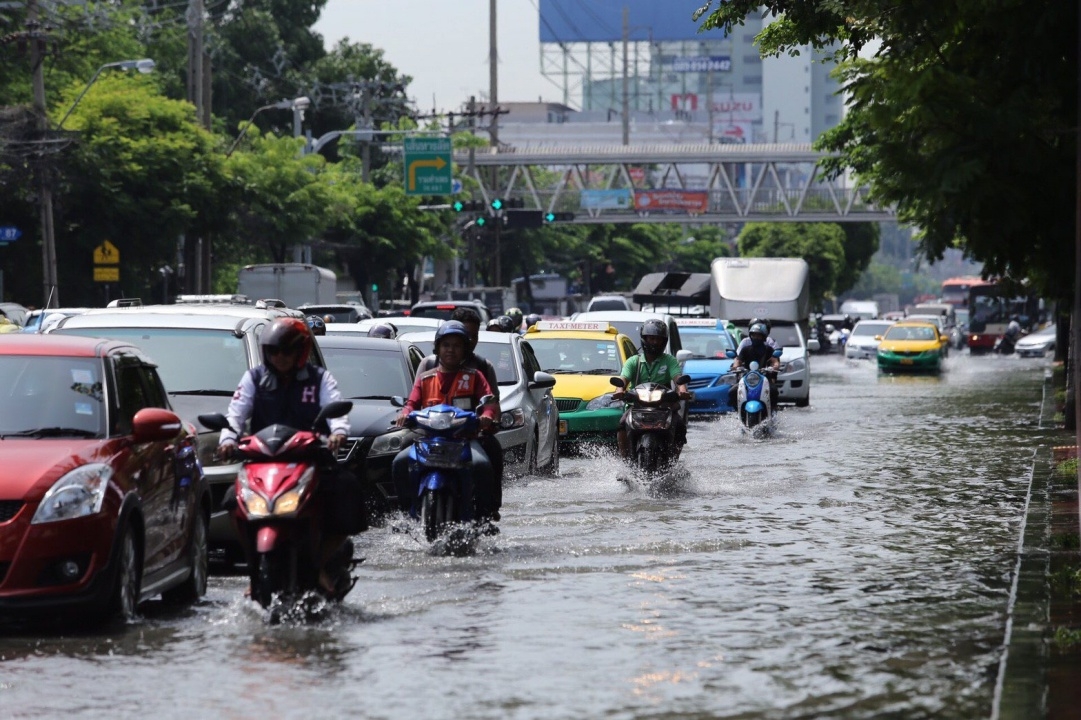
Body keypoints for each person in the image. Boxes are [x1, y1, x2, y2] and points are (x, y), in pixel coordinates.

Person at [217, 317, 364, 596]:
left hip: (311, 459)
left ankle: (319, 564)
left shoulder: (320, 378)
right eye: (274, 351)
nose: (279, 357)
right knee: (231, 501)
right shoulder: (254, 378)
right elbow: (235, 414)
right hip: (262, 462)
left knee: (348, 492)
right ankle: (255, 570)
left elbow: (336, 407)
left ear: (301, 351)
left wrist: (338, 433)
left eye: (286, 351)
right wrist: (227, 440)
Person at [391, 321, 500, 527]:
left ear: (465, 350)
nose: (451, 350)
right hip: (429, 439)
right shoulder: (425, 378)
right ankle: (406, 514)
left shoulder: (475, 376)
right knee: (399, 463)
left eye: (457, 345)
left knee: (482, 465)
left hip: (465, 439)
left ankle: (484, 519)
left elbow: (490, 402)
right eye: (446, 345)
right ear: (438, 348)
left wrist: (486, 415)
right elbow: (411, 403)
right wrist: (404, 414)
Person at [612, 319, 691, 461]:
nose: (654, 342)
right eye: (651, 338)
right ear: (644, 339)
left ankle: (673, 462)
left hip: (664, 406)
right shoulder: (633, 361)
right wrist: (619, 389)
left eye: (658, 340)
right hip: (636, 406)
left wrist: (682, 390)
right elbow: (623, 378)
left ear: (664, 341)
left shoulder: (669, 361)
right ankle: (624, 463)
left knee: (679, 426)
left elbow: (678, 378)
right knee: (622, 424)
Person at [728, 322, 781, 411]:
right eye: (754, 335)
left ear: (763, 337)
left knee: (773, 391)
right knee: (732, 391)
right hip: (747, 378)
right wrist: (735, 366)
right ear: (750, 336)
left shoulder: (768, 349)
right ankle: (737, 411)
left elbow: (775, 361)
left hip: (764, 379)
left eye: (758, 336)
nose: (756, 337)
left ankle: (772, 410)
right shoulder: (745, 349)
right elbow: (738, 360)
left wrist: (775, 367)